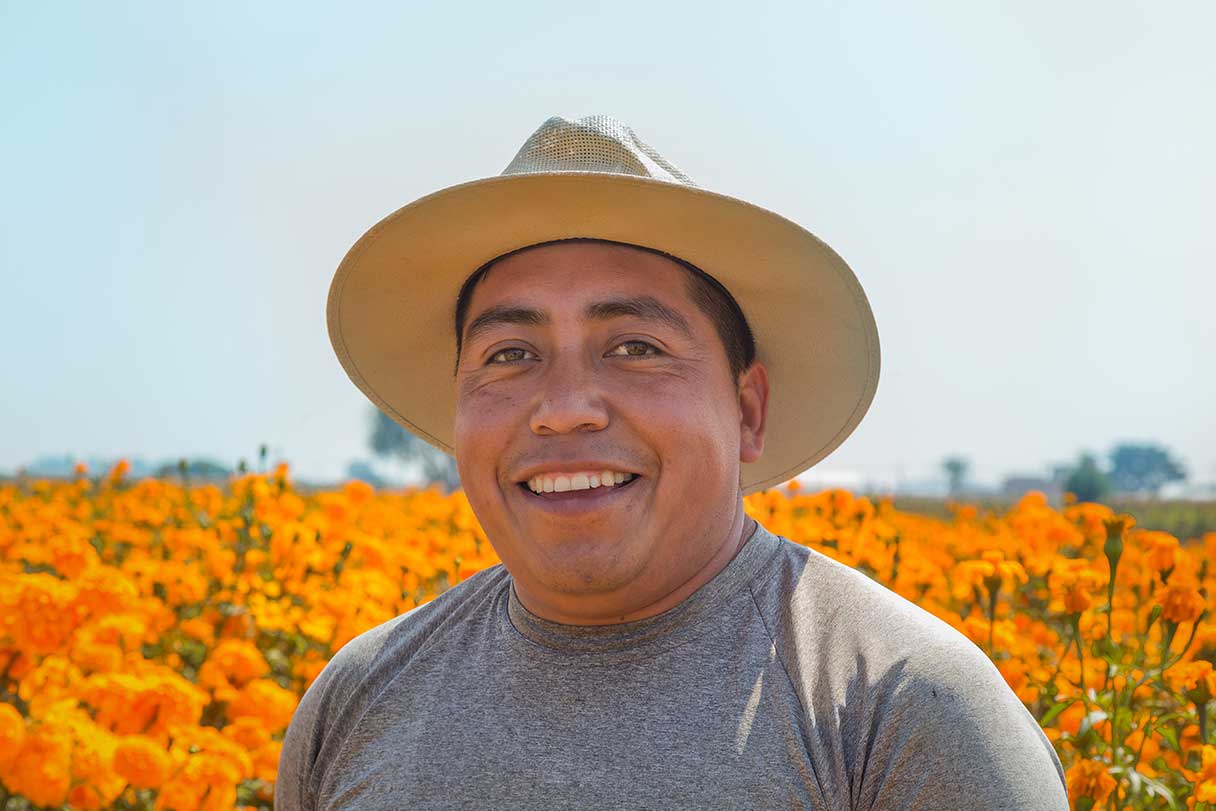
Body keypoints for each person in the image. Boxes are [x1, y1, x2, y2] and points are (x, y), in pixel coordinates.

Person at [277, 115, 1069, 809]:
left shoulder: (902, 711)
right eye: (510, 353)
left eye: (635, 347)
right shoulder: (355, 698)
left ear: (747, 410)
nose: (563, 406)